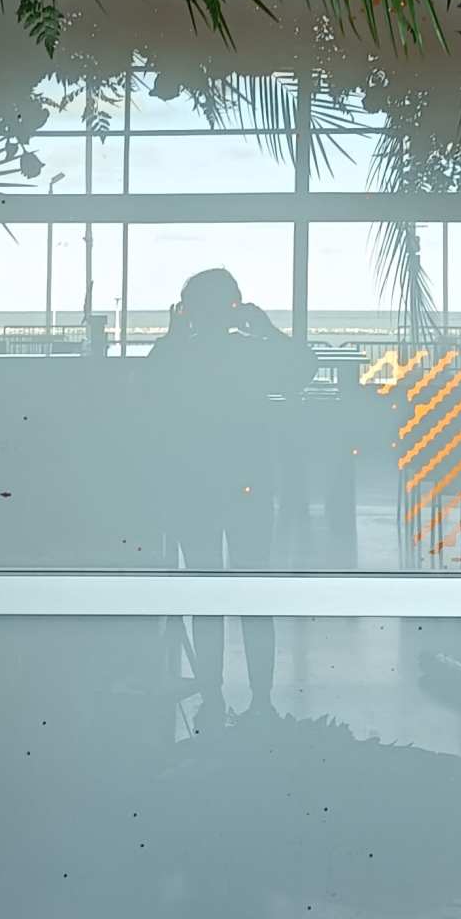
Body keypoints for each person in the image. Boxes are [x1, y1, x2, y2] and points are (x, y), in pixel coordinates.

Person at [147, 269, 315, 726]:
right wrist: (267, 330)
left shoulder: (173, 354)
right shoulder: (252, 354)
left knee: (206, 593)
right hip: (248, 482)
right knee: (253, 592)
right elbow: (305, 367)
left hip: (192, 486)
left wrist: (174, 335)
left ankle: (212, 695)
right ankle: (260, 698)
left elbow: (146, 403)